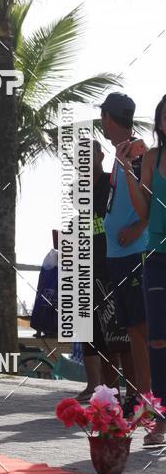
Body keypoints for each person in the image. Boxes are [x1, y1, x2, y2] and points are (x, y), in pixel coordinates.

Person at [118, 95, 166, 444]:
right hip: (157, 256)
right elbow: (144, 211)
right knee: (157, 338)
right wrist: (126, 171)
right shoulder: (153, 157)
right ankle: (161, 419)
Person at [101, 92, 150, 404]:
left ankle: (149, 399)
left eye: (102, 116)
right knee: (133, 330)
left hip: (135, 252)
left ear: (107, 117)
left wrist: (137, 227)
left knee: (143, 329)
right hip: (118, 255)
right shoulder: (121, 152)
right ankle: (142, 396)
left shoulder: (137, 150)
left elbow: (152, 200)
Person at [79, 141, 133, 401]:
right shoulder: (78, 191)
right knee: (93, 334)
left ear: (100, 155)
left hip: (112, 263)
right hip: (87, 267)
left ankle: (127, 394)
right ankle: (104, 393)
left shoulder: (111, 183)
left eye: (87, 155)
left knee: (119, 337)